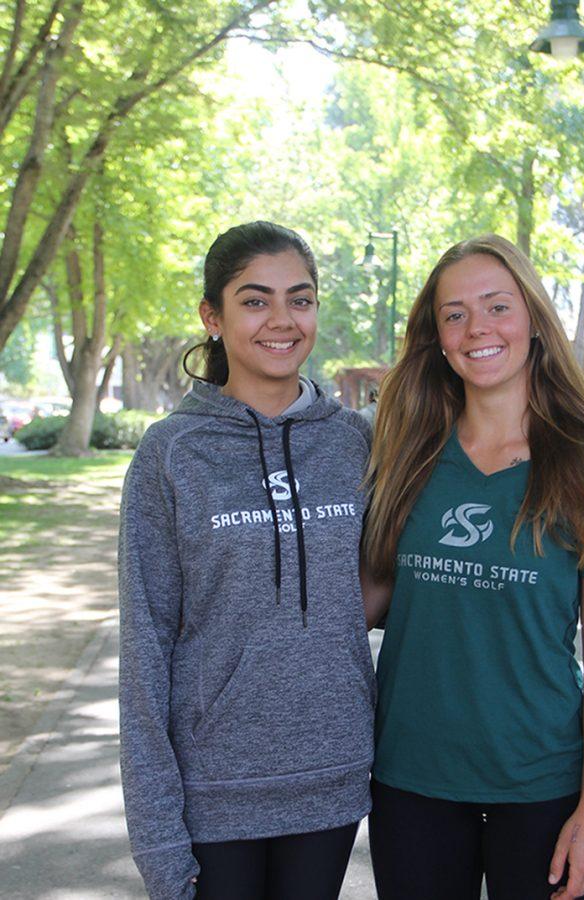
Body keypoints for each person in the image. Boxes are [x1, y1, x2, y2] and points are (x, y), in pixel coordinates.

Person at [362, 235, 584, 900]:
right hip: (412, 778)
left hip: (541, 783)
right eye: (455, 313)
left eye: (497, 306)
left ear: (532, 320)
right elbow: (370, 599)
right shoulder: (406, 455)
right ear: (436, 335)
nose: (477, 329)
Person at [118, 221, 376, 900]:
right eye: (255, 300)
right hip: (214, 785)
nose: (282, 321)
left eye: (301, 298)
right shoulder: (172, 454)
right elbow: (145, 648)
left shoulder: (356, 443)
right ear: (213, 316)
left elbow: (388, 592)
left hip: (333, 773)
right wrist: (155, 832)